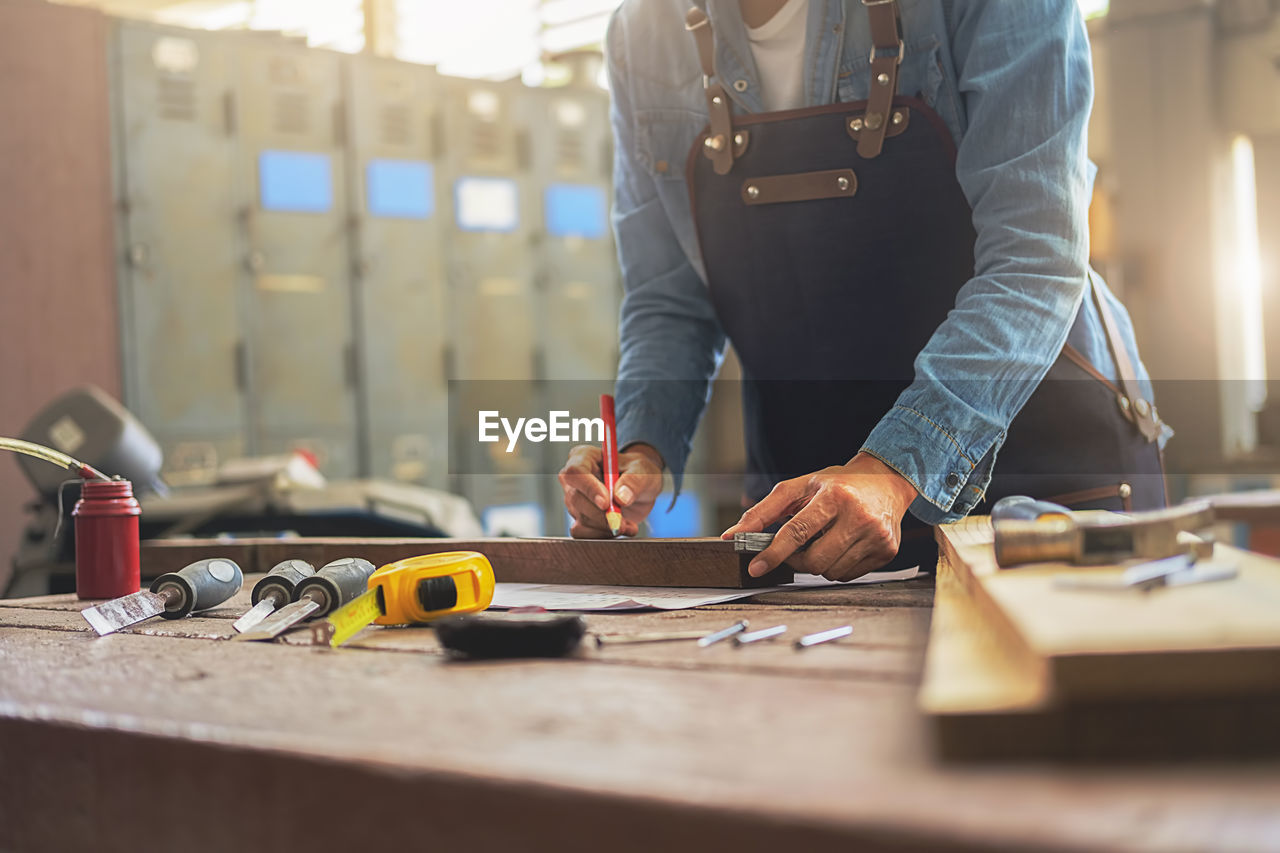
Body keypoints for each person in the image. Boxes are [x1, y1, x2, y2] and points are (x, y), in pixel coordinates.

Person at [558, 0, 1168, 580]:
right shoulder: (643, 31)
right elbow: (670, 299)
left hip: (1039, 472)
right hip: (810, 509)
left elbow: (1035, 257)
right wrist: (639, 451)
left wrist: (893, 467)